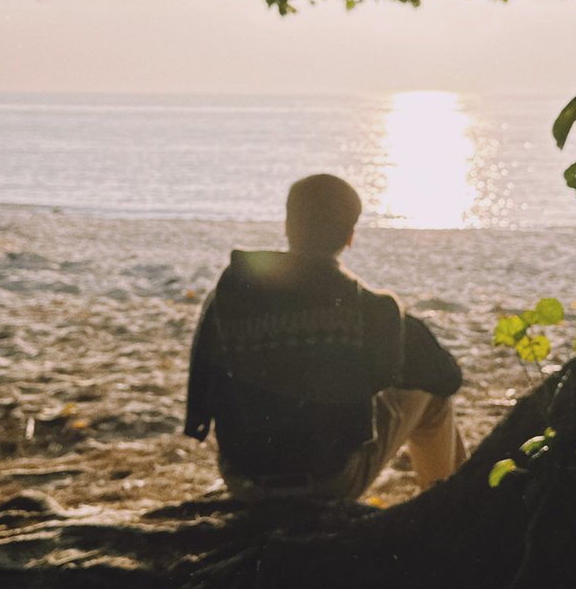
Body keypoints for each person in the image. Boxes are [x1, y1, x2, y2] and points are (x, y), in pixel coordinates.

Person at [185, 173, 468, 502]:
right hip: (328, 483)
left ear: (288, 226)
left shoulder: (231, 289)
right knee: (431, 396)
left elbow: (204, 379)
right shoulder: (371, 306)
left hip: (242, 479)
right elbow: (448, 378)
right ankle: (449, 505)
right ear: (350, 236)